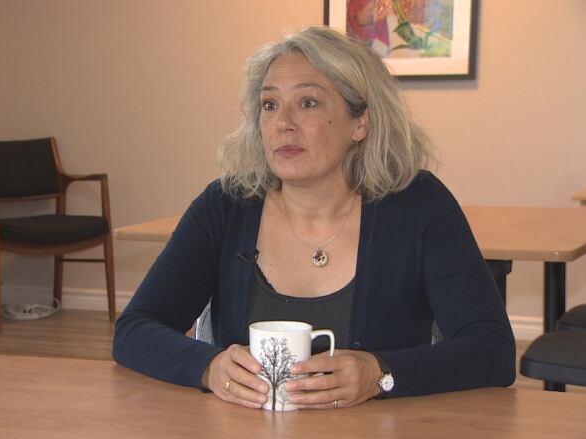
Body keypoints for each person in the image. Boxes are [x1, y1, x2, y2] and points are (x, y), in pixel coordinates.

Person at [113, 25, 515, 410]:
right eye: (270, 105)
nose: (283, 123)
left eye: (308, 103)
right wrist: (208, 367)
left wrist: (381, 374)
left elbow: (492, 349)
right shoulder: (227, 204)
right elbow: (134, 330)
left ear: (360, 122)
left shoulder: (418, 204)